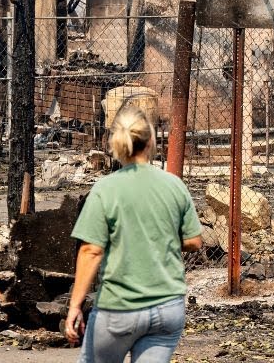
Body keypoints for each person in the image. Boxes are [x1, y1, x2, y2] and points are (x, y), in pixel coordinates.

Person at [65, 100, 203, 362]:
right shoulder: (174, 186)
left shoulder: (105, 190)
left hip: (119, 308)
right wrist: (158, 237)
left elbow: (91, 251)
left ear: (116, 143)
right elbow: (194, 241)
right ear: (150, 141)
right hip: (167, 308)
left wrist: (75, 306)